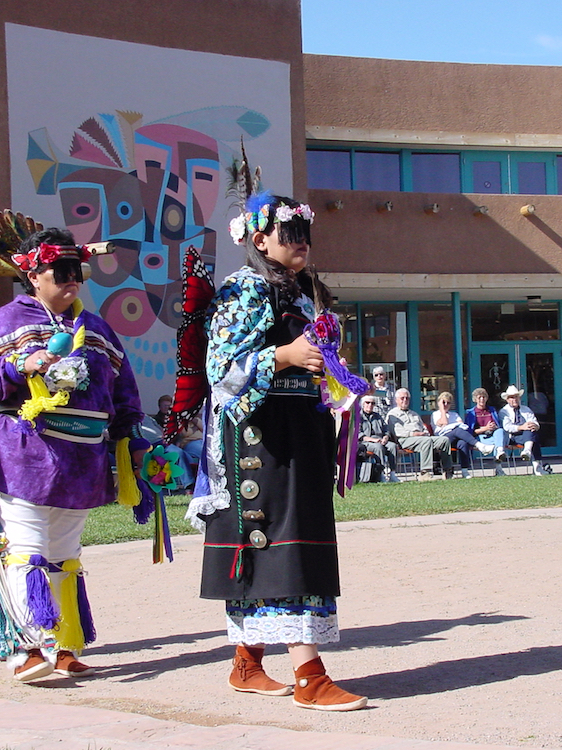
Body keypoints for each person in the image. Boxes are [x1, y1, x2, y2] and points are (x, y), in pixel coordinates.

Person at [188, 190, 367, 711]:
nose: (301, 244)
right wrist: (285, 355)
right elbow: (221, 371)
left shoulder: (306, 293)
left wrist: (336, 380)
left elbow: (321, 360)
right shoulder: (243, 288)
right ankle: (309, 675)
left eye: (305, 234)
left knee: (294, 542)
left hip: (302, 432)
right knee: (280, 547)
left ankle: (246, 663)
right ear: (259, 238)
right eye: (290, 234)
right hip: (259, 439)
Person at [0, 227, 147, 683]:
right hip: (25, 451)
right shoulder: (9, 320)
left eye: (76, 272)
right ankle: (26, 647)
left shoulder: (98, 328)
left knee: (66, 551)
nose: (72, 280)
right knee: (27, 548)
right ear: (34, 275)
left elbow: (123, 388)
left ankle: (65, 644)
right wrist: (19, 365)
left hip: (83, 458)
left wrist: (132, 441)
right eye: (61, 272)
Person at [387, 388, 453, 481]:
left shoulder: (414, 414)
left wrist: (425, 433)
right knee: (426, 441)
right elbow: (397, 431)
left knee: (444, 440)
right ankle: (425, 473)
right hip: (404, 439)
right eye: (402, 398)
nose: (405, 400)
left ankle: (448, 471)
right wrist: (414, 434)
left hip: (421, 438)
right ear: (396, 400)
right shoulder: (393, 414)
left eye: (407, 398)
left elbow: (423, 427)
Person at [431, 391, 494, 478]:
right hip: (442, 439)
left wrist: (452, 426)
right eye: (443, 402)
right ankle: (479, 445)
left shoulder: (454, 415)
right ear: (439, 403)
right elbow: (444, 422)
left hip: (454, 439)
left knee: (462, 443)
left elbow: (463, 426)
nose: (445, 405)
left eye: (448, 403)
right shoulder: (435, 414)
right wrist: (442, 410)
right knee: (457, 430)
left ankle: (465, 471)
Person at [498, 385, 550, 475]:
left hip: (526, 435)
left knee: (532, 432)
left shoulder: (526, 409)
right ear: (507, 400)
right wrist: (521, 427)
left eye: (516, 397)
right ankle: (536, 467)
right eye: (511, 397)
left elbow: (534, 421)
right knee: (533, 437)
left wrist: (535, 426)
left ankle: (527, 452)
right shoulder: (504, 411)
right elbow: (507, 427)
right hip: (512, 437)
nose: (514, 399)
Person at [463, 388, 509, 468]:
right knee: (498, 443)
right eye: (479, 397)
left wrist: (494, 427)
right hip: (479, 438)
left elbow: (498, 425)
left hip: (492, 435)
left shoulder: (492, 410)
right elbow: (470, 432)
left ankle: (499, 452)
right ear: (475, 399)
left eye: (484, 397)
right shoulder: (470, 413)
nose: (482, 399)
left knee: (500, 431)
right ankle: (499, 468)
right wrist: (485, 428)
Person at [358, 394, 399, 482]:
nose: (370, 405)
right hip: (366, 442)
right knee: (378, 447)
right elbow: (358, 434)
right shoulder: (358, 417)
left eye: (372, 403)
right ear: (363, 404)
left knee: (392, 446)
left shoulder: (377, 416)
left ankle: (392, 474)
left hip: (380, 440)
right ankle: (381, 474)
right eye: (367, 402)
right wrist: (373, 440)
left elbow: (386, 429)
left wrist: (386, 437)